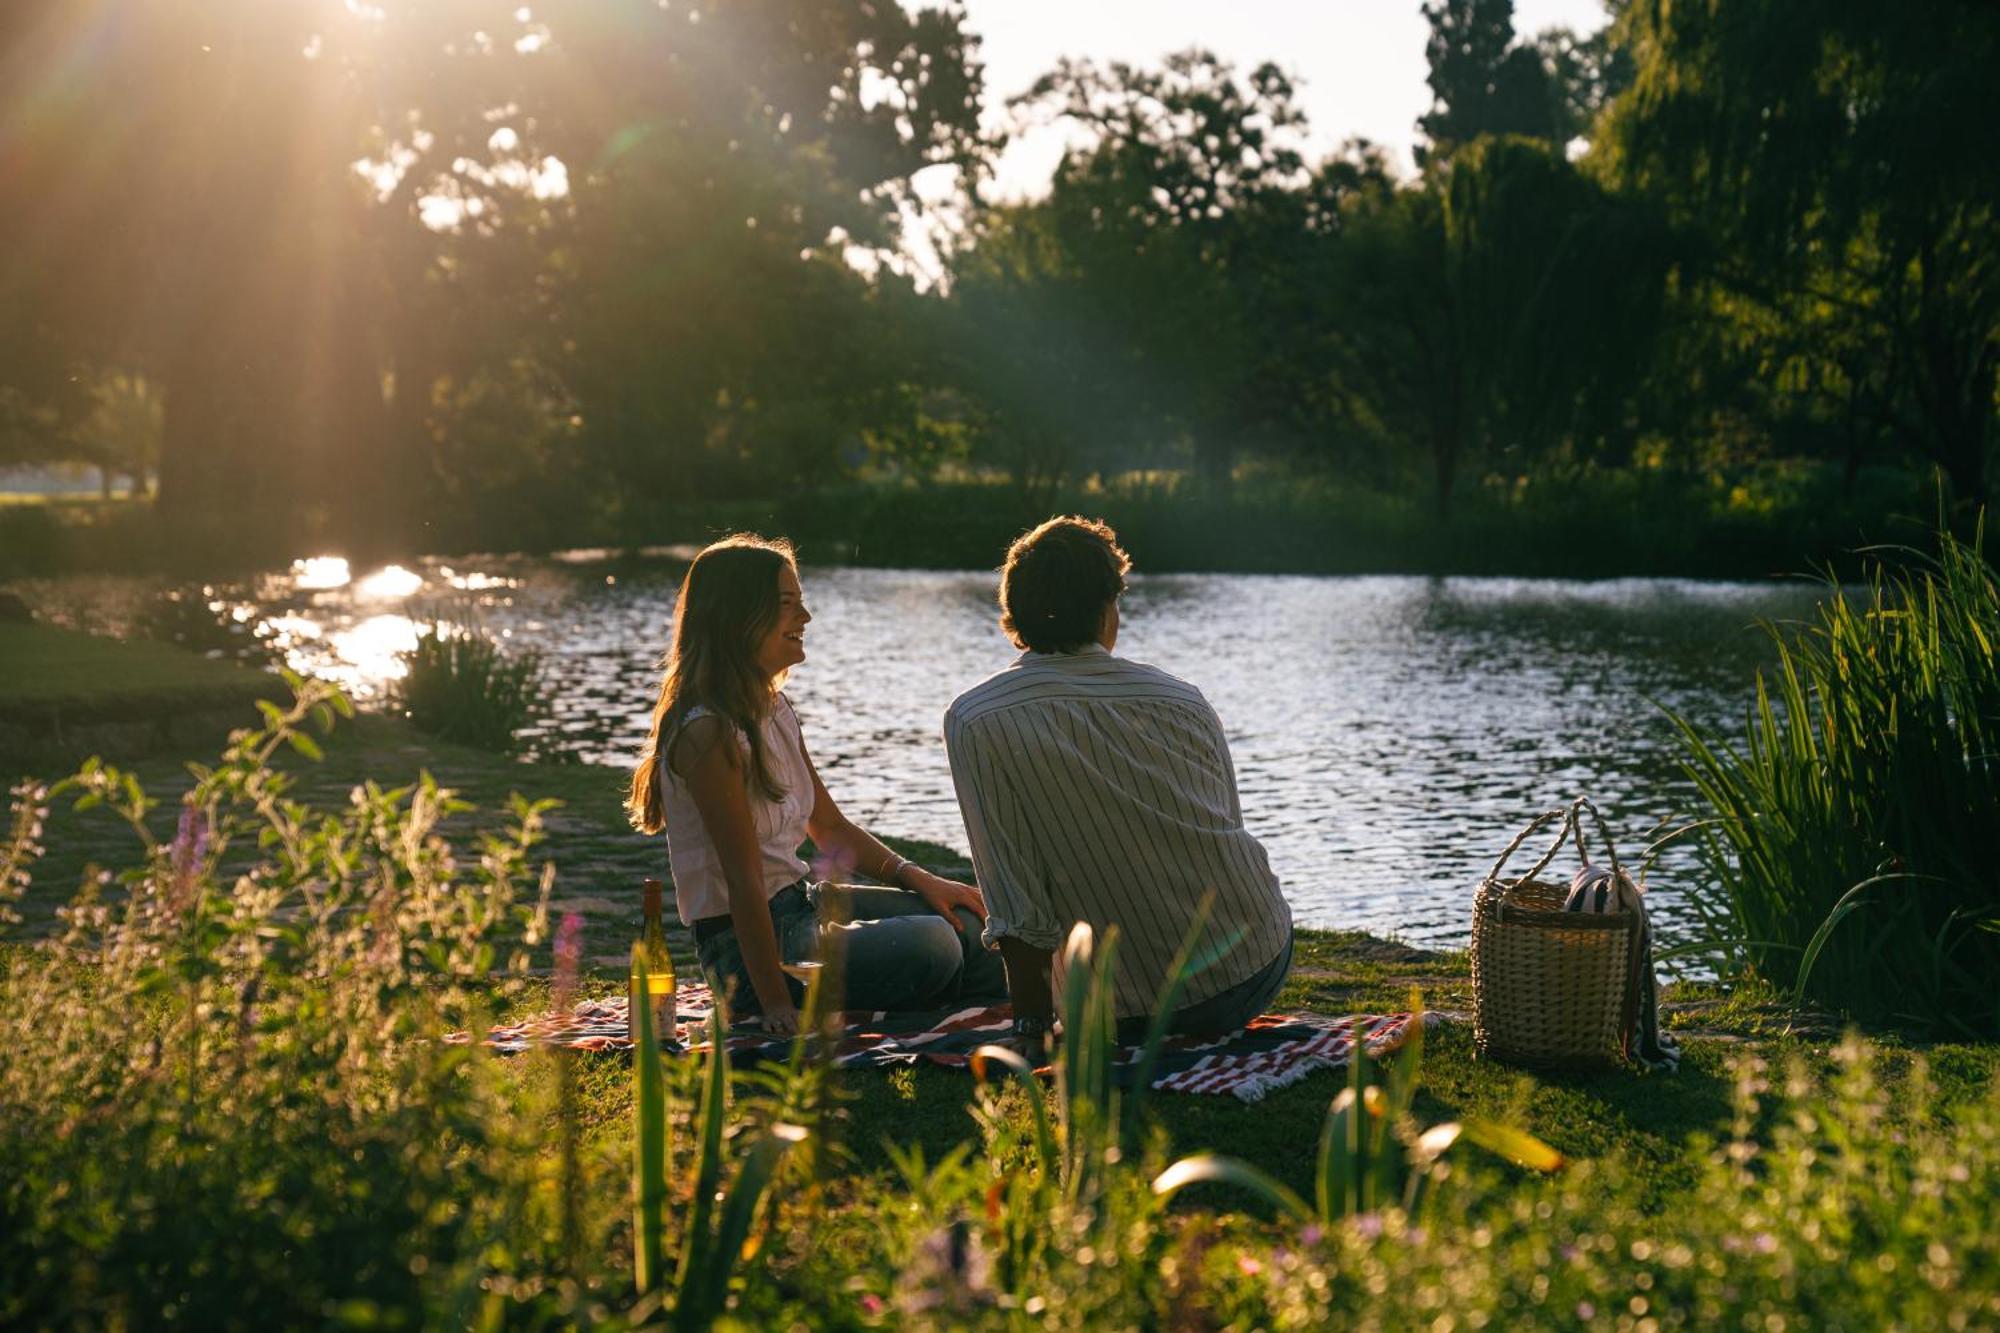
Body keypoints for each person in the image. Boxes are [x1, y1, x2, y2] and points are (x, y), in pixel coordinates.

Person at [628, 534, 1004, 1034]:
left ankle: (949, 993)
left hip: (804, 903)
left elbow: (829, 826)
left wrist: (921, 878)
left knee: (971, 925)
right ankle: (928, 990)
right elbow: (743, 883)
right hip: (747, 948)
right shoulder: (708, 733)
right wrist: (775, 1000)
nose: (804, 619)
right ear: (738, 616)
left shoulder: (773, 710)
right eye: (788, 605)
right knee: (934, 942)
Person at [944, 516, 1293, 1051]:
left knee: (980, 947)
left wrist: (1033, 1027)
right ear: (1108, 606)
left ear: (1014, 609)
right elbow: (1227, 835)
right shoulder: (1185, 701)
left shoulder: (976, 718)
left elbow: (1014, 894)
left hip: (1115, 1009)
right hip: (1248, 972)